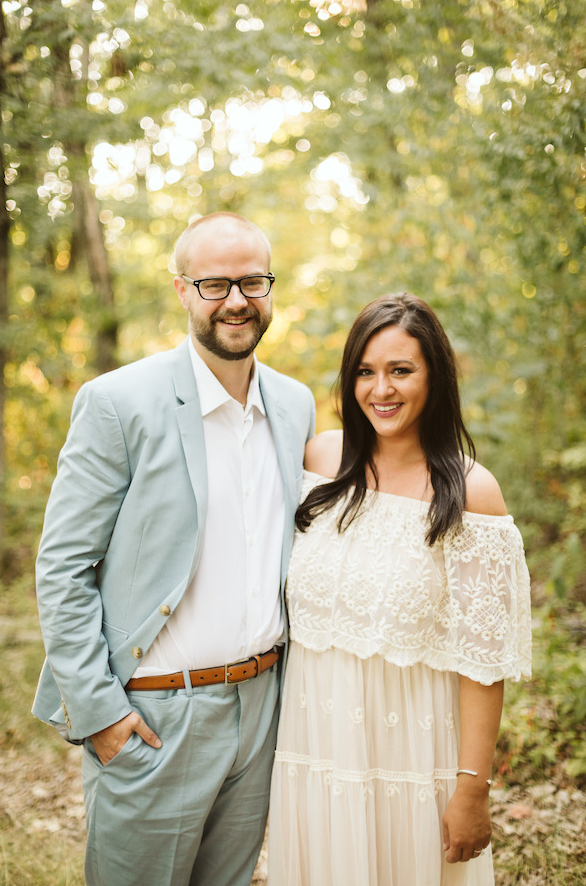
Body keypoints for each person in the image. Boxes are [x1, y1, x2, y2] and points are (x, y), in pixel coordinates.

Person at [32, 212, 316, 886]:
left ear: (270, 288)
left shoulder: (296, 405)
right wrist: (101, 711)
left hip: (262, 706)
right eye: (215, 284)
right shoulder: (118, 401)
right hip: (156, 714)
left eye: (252, 281)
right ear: (183, 291)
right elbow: (63, 565)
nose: (237, 300)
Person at [267, 293, 532, 885]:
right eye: (365, 371)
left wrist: (472, 790)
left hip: (413, 758)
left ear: (434, 376)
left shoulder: (470, 492)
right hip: (315, 751)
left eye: (400, 370)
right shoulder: (321, 460)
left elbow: (483, 664)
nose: (380, 389)